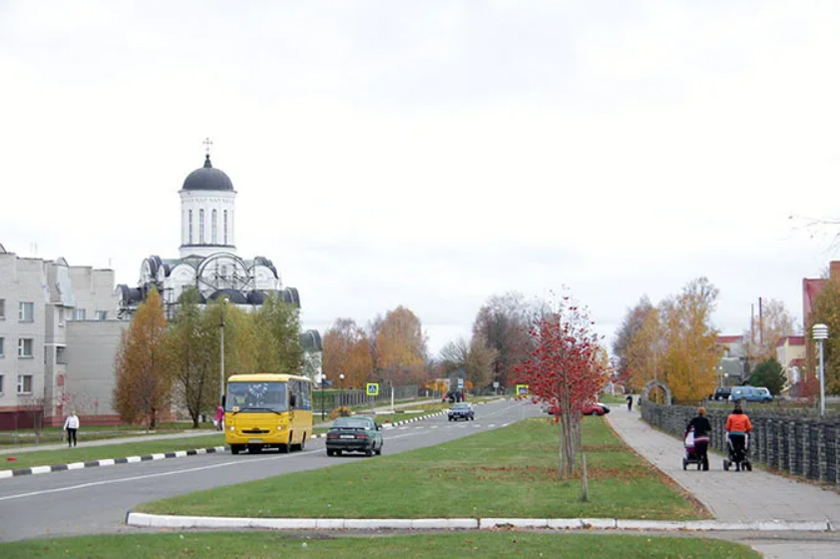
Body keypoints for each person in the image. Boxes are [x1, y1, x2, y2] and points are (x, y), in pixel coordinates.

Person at [725, 404, 752, 471]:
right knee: (742, 447)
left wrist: (731, 430)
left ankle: (736, 461)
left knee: (734, 448)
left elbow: (727, 427)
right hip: (741, 434)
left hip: (733, 434)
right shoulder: (745, 417)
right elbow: (749, 427)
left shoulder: (730, 417)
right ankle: (743, 457)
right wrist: (745, 431)